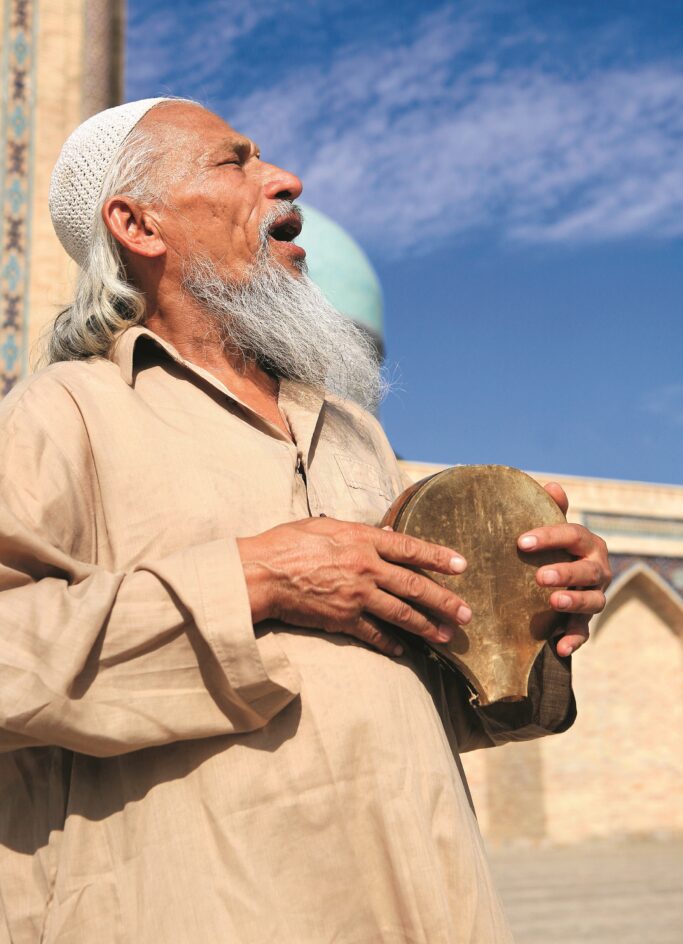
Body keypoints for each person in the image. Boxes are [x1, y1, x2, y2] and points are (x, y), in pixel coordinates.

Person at [0, 98, 610, 944]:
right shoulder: (66, 412)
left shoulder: (353, 433)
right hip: (203, 906)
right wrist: (255, 578)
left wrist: (530, 615)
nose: (284, 179)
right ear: (137, 225)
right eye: (233, 161)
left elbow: (412, 694)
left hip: (417, 896)